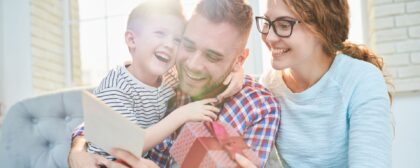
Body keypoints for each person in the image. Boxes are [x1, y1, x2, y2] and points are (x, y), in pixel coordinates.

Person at [68, 0, 281, 167]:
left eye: (212, 56)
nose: (193, 65)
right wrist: (77, 150)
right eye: (187, 45)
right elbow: (102, 121)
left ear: (239, 60)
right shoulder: (169, 76)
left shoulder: (258, 107)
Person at [254, 0, 392, 167]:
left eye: (283, 25)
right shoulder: (267, 86)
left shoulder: (360, 80)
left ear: (321, 26)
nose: (269, 37)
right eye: (267, 22)